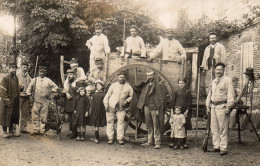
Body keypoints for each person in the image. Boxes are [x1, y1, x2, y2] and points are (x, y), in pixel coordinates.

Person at [206, 62, 235, 156]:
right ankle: (216, 146)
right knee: (214, 128)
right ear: (214, 70)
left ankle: (223, 148)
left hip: (222, 106)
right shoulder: (214, 81)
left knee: (223, 128)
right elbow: (210, 94)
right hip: (213, 106)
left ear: (223, 70)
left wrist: (228, 107)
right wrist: (208, 105)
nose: (218, 71)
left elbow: (231, 95)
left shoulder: (227, 81)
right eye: (217, 69)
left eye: (220, 69)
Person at [138, 71, 167, 149]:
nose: (149, 77)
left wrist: (159, 109)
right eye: (148, 75)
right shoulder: (146, 85)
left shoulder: (160, 86)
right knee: (149, 125)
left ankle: (157, 142)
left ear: (155, 75)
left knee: (156, 125)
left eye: (151, 75)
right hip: (146, 107)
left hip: (155, 108)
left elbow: (163, 98)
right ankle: (149, 141)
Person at [103, 71, 133, 145]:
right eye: (120, 77)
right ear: (118, 78)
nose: (122, 79)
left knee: (121, 122)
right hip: (111, 105)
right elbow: (107, 95)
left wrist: (127, 100)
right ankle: (110, 138)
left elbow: (132, 96)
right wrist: (106, 105)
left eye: (123, 77)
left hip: (121, 107)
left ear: (125, 78)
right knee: (110, 122)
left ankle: (120, 138)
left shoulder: (128, 87)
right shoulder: (113, 85)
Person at [26, 66, 58, 135]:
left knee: (43, 116)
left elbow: (56, 87)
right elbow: (29, 88)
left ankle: (42, 130)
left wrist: (50, 92)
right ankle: (35, 130)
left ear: (45, 73)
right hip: (36, 100)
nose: (42, 73)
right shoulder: (34, 80)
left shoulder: (48, 80)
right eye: (41, 72)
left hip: (45, 101)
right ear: (38, 72)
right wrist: (29, 95)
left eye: (44, 72)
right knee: (35, 115)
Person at [170, 77, 192, 148]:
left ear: (185, 84)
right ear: (178, 84)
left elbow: (189, 102)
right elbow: (173, 102)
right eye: (179, 83)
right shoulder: (176, 92)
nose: (181, 84)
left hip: (184, 111)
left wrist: (187, 110)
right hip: (177, 111)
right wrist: (172, 110)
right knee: (175, 126)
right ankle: (174, 142)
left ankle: (184, 142)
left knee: (183, 126)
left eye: (182, 83)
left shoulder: (188, 92)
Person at [0, 63, 20, 138]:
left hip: (14, 100)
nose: (14, 70)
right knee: (5, 116)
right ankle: (5, 132)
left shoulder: (15, 78)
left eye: (15, 68)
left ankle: (11, 131)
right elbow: (2, 91)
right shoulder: (5, 78)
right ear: (9, 68)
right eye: (13, 68)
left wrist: (20, 88)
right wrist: (6, 100)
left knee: (13, 115)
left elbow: (16, 87)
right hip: (7, 101)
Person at [16, 61, 32, 134]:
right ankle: (14, 129)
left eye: (26, 67)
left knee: (24, 113)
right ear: (21, 67)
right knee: (16, 112)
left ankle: (23, 128)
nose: (25, 68)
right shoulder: (17, 74)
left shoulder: (27, 75)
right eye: (24, 67)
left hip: (26, 96)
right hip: (19, 96)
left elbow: (32, 83)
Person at [90, 79, 106, 144]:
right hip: (95, 110)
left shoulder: (104, 94)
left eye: (99, 85)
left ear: (102, 86)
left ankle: (96, 139)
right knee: (96, 124)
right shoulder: (95, 94)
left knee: (98, 124)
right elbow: (92, 102)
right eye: (97, 85)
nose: (98, 87)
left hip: (101, 110)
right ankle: (97, 137)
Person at [63, 69, 77, 138]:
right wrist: (66, 94)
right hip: (69, 102)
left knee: (74, 118)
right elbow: (65, 90)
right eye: (68, 74)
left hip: (74, 102)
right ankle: (71, 131)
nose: (69, 76)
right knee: (70, 118)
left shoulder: (75, 82)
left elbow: (78, 91)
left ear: (74, 75)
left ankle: (74, 133)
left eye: (71, 74)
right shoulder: (66, 82)